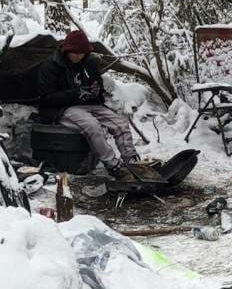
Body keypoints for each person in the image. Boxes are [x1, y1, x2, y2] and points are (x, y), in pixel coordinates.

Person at [37, 30, 160, 184]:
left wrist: (96, 91)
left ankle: (133, 163)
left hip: (89, 104)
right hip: (63, 108)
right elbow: (46, 98)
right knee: (93, 127)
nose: (79, 56)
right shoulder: (51, 66)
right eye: (76, 53)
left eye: (82, 53)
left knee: (120, 124)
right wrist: (76, 94)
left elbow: (97, 85)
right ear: (67, 50)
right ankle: (114, 167)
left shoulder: (88, 62)